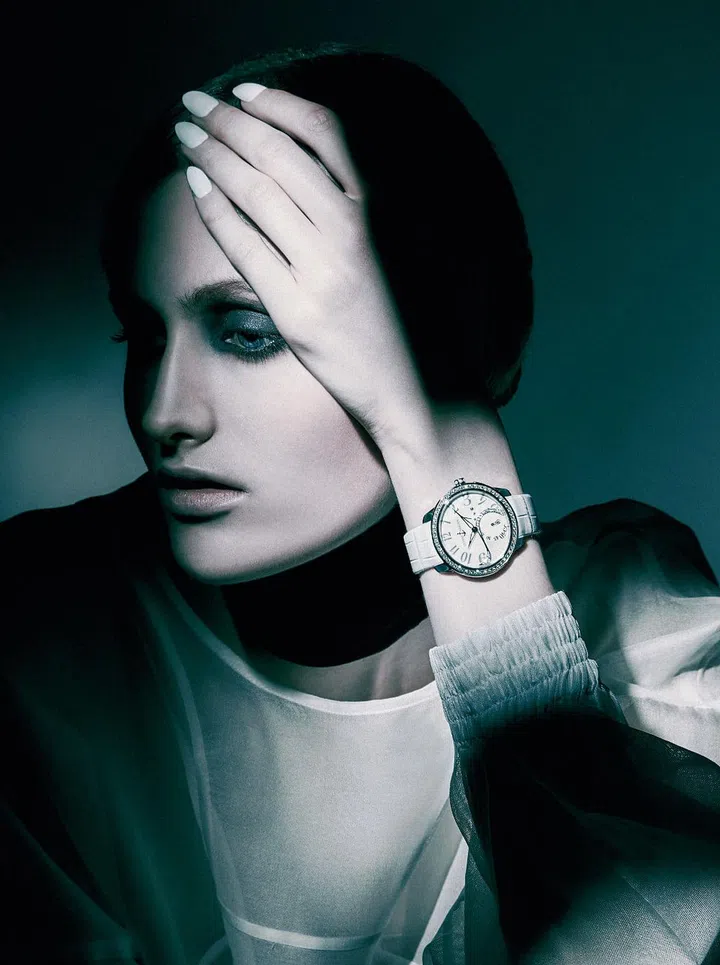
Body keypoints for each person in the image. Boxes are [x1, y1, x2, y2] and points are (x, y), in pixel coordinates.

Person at [2, 43, 719, 965]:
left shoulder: (643, 631)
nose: (162, 411)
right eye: (142, 333)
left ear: (478, 342)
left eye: (251, 332)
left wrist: (447, 439)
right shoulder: (41, 640)